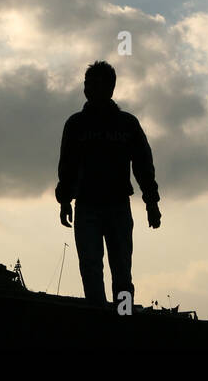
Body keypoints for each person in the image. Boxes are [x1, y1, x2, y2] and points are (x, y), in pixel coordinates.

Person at [55, 61, 161, 306]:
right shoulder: (76, 124)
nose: (89, 89)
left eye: (95, 84)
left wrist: (152, 202)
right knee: (90, 268)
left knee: (122, 271)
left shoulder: (127, 124)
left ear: (110, 88)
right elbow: (67, 166)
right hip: (87, 205)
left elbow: (144, 166)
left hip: (117, 206)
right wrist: (64, 201)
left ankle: (123, 319)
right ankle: (99, 321)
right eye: (87, 84)